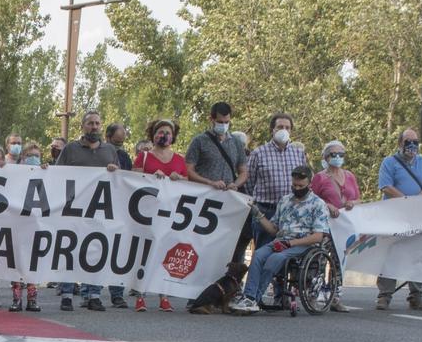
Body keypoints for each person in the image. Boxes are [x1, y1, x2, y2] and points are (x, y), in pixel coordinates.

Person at [227, 166, 329, 314]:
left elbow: (318, 236)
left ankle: (254, 298)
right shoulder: (285, 201)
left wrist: (291, 243)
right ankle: (249, 296)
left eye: (301, 186)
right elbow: (274, 229)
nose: (297, 188)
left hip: (303, 244)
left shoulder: (318, 204)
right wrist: (258, 215)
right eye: (294, 185)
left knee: (274, 259)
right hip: (281, 240)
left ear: (309, 184)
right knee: (258, 255)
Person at [185, 101, 250, 309]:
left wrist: (235, 184)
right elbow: (190, 170)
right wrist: (209, 183)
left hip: (230, 204)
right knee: (203, 248)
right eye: (220, 122)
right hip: (205, 203)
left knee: (232, 251)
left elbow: (243, 171)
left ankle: (229, 293)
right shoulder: (200, 141)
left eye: (227, 122)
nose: (224, 125)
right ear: (211, 119)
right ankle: (196, 294)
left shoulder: (236, 144)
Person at [57, 109, 123, 310]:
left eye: (97, 123)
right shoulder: (70, 149)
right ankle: (67, 294)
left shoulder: (110, 151)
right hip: (73, 209)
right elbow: (56, 175)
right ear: (82, 126)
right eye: (90, 123)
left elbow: (120, 180)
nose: (94, 127)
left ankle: (93, 294)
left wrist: (115, 171)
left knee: (96, 251)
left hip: (100, 210)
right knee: (70, 251)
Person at [372, 128, 422, 310]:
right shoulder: (389, 162)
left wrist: (416, 201)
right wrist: (405, 201)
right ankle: (384, 295)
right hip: (394, 215)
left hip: (418, 215)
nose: (412, 146)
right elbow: (386, 186)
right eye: (408, 141)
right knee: (391, 253)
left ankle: (416, 295)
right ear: (400, 143)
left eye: (415, 142)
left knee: (418, 253)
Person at [131, 119, 190, 312]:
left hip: (170, 214)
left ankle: (164, 296)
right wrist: (150, 177)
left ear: (173, 136)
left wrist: (179, 178)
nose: (163, 135)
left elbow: (188, 185)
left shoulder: (180, 160)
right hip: (147, 212)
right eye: (160, 132)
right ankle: (140, 295)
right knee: (145, 254)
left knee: (166, 254)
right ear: (153, 134)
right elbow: (133, 179)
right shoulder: (144, 157)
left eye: (167, 132)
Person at [308, 141, 358, 312]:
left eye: (341, 155)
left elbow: (358, 198)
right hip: (325, 225)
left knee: (339, 262)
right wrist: (327, 205)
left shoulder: (350, 176)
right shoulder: (320, 177)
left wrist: (352, 203)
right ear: (325, 157)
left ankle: (336, 297)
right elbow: (311, 198)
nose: (337, 158)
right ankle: (314, 295)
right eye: (333, 154)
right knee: (320, 260)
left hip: (344, 226)